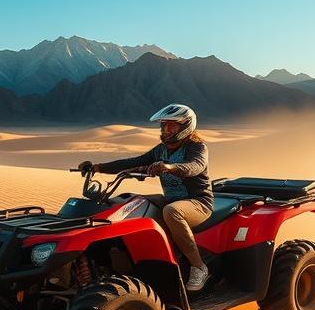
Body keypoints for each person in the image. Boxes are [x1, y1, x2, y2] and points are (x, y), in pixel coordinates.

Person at [77, 103, 213, 291]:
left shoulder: (197, 147)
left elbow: (194, 166)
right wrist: (98, 167)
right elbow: (134, 162)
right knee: (132, 203)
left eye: (171, 125)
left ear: (185, 126)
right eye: (163, 125)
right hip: (171, 199)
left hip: (198, 202)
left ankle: (199, 267)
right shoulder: (161, 150)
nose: (165, 129)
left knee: (172, 212)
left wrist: (170, 167)